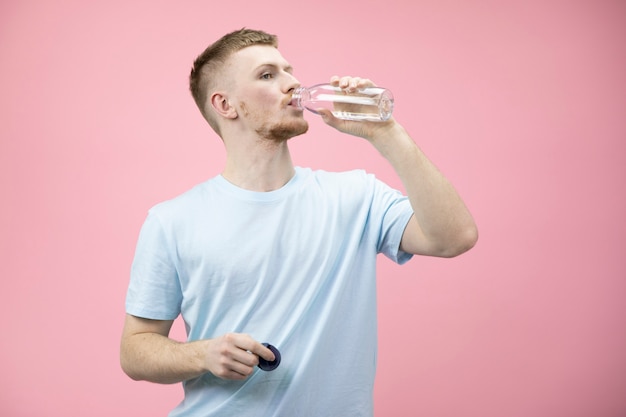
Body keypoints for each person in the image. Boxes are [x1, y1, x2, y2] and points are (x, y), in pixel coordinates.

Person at [120, 28, 478, 417]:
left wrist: (385, 131)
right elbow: (135, 350)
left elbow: (454, 237)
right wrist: (203, 354)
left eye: (289, 70)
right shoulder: (172, 221)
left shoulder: (356, 197)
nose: (293, 82)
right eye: (267, 75)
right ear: (225, 104)